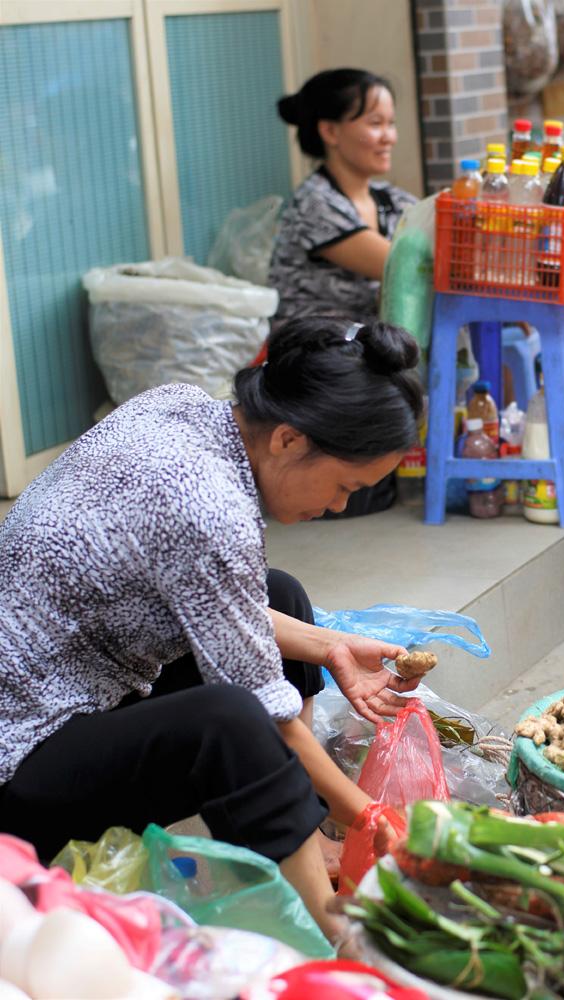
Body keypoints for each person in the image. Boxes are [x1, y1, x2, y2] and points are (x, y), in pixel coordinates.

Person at [0, 317, 424, 940]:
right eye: (343, 486)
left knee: (280, 594)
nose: (337, 507)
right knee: (232, 725)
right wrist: (371, 817)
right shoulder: (204, 502)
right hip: (19, 760)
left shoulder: (184, 408)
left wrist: (331, 646)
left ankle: (300, 839)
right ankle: (331, 939)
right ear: (286, 439)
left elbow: (219, 602)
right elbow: (271, 717)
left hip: (72, 691)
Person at [269, 69, 416, 329]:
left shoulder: (392, 200)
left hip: (369, 351)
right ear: (330, 132)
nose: (389, 137)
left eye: (391, 123)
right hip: (320, 357)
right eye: (375, 124)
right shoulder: (314, 204)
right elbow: (407, 266)